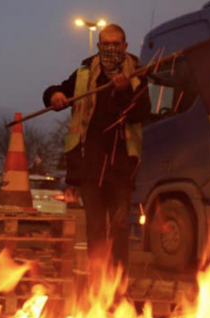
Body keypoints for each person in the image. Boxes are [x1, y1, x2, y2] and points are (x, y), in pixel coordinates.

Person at [43, 24, 151, 273]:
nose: (111, 49)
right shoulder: (84, 73)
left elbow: (142, 113)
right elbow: (56, 91)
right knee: (95, 229)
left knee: (119, 228)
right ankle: (97, 283)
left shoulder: (137, 74)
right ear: (99, 46)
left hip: (122, 169)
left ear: (124, 46)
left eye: (116, 44)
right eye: (106, 44)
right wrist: (55, 96)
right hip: (90, 169)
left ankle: (117, 286)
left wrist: (124, 93)